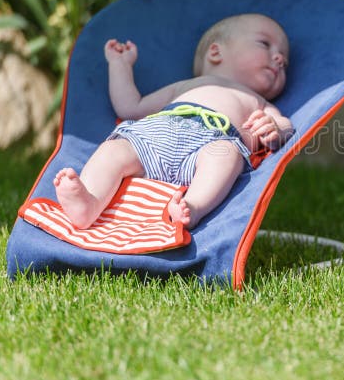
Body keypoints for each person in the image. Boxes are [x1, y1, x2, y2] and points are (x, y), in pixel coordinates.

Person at [53, 13, 293, 230]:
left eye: (285, 62)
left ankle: (192, 207)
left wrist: (275, 130)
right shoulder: (186, 86)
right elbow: (130, 107)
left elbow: (286, 126)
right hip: (155, 136)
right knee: (113, 150)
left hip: (210, 145)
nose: (280, 59)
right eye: (264, 44)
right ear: (216, 52)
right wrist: (120, 66)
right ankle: (89, 202)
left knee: (226, 155)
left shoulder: (260, 103)